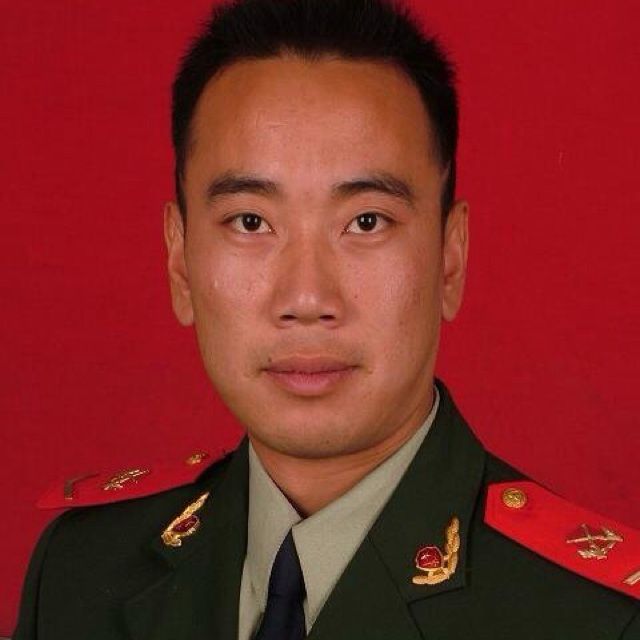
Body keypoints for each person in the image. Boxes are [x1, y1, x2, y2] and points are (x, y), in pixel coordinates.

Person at [13, 0, 640, 638]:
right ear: (180, 262)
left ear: (451, 259)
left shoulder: (597, 620)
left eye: (366, 222)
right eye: (250, 222)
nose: (308, 297)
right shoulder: (80, 572)